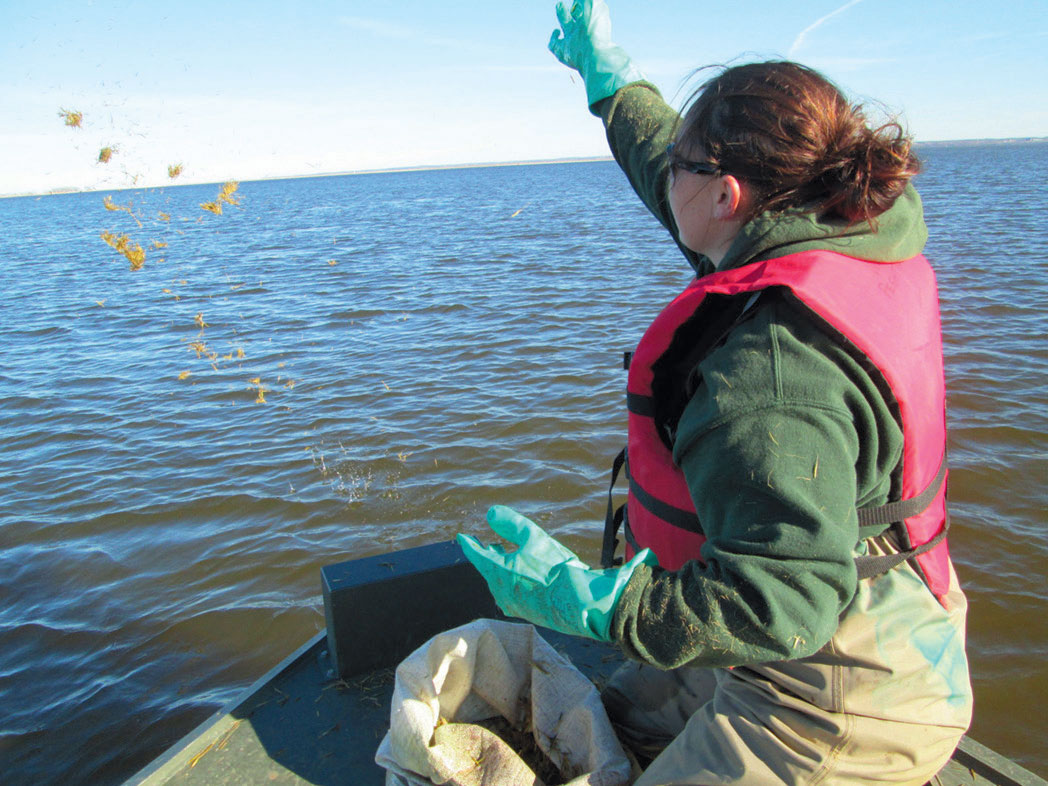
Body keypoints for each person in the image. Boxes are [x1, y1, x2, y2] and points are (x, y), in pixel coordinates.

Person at [457, 2, 973, 783]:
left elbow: (786, 603)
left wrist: (601, 608)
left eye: (682, 169)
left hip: (840, 693)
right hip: (890, 607)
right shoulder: (838, 221)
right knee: (624, 713)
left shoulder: (769, 373)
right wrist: (610, 83)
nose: (665, 176)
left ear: (727, 195)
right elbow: (661, 150)